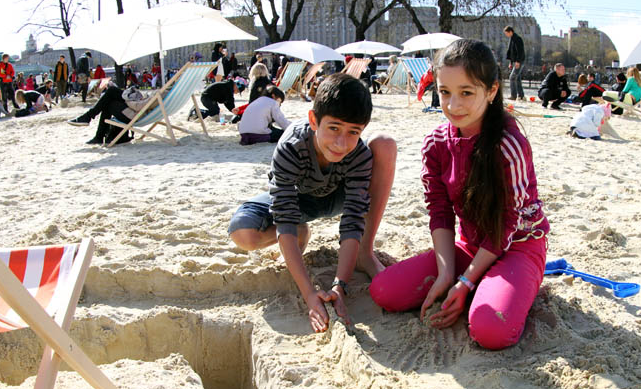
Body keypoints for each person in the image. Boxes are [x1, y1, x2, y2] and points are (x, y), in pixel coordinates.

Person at [369, 39, 549, 350]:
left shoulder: (509, 146)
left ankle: (498, 286)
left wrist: (464, 282)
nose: (453, 106)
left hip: (518, 245)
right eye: (444, 92)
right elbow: (439, 210)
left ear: (491, 91)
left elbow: (506, 224)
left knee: (490, 331)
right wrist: (445, 273)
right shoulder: (436, 142)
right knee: (384, 291)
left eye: (466, 92)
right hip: (470, 244)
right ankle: (483, 285)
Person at [228, 73, 397, 332]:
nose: (341, 143)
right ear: (314, 120)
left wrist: (340, 285)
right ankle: (302, 231)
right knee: (243, 233)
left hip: (337, 196)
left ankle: (366, 253)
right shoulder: (291, 145)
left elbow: (352, 220)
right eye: (334, 128)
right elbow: (283, 217)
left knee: (385, 144)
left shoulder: (358, 154)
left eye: (353, 132)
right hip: (299, 200)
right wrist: (309, 294)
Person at [66, 83, 149, 145]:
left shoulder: (158, 96)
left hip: (135, 113)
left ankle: (90, 121)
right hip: (135, 108)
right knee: (109, 96)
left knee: (111, 92)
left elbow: (141, 106)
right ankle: (95, 131)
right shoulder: (159, 96)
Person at [503, 26, 525, 101]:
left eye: (507, 33)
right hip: (515, 61)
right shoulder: (512, 39)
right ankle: (521, 95)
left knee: (512, 77)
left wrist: (518, 61)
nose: (506, 35)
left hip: (519, 61)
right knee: (517, 78)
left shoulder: (517, 39)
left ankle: (513, 95)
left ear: (510, 32)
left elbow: (520, 51)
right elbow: (511, 52)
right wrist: (510, 62)